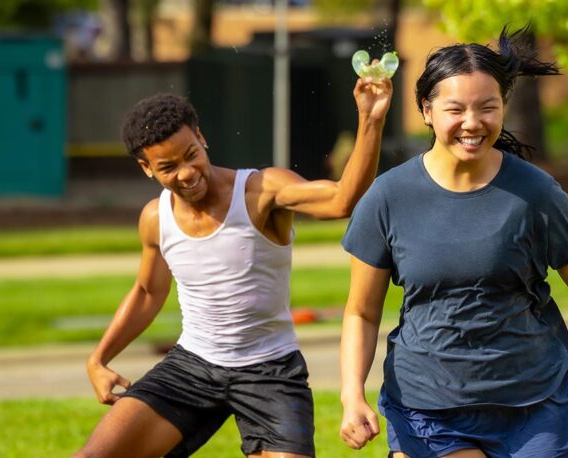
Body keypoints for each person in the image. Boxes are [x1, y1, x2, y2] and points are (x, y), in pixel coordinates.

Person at [338, 25, 568, 458]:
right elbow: (362, 312)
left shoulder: (535, 193)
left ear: (503, 107)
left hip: (533, 401)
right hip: (429, 404)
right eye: (455, 109)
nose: (472, 123)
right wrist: (352, 395)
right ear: (426, 111)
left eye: (488, 107)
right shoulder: (389, 197)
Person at [74, 74, 392, 458]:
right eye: (168, 167)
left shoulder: (261, 191)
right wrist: (99, 359)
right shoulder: (155, 218)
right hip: (191, 366)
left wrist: (370, 120)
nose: (187, 173)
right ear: (147, 169)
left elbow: (342, 200)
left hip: (270, 371)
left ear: (201, 137)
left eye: (191, 154)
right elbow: (146, 292)